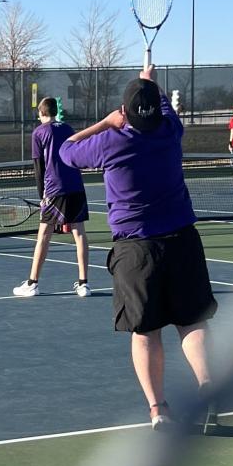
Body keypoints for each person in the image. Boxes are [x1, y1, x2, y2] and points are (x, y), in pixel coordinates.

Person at [62, 62, 217, 430]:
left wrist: (105, 121)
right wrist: (150, 83)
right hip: (183, 240)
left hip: (136, 250)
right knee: (192, 323)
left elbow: (67, 151)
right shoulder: (170, 131)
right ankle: (209, 385)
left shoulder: (112, 140)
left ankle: (158, 409)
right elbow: (162, 107)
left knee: (145, 333)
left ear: (125, 112)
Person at [13, 96, 90, 299]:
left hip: (54, 190)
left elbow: (38, 168)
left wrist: (42, 196)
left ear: (41, 113)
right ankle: (84, 284)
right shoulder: (68, 129)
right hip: (76, 188)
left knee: (43, 236)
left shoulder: (38, 132)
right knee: (79, 234)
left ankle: (32, 283)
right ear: (55, 111)